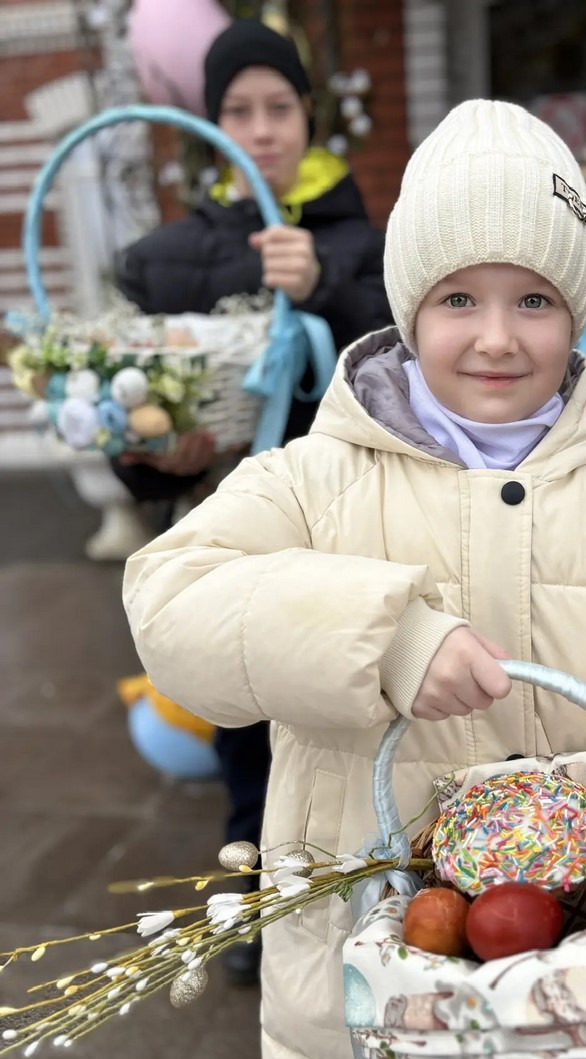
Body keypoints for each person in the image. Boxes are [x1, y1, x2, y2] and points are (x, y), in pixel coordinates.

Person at [123, 99, 586, 1059]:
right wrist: (387, 636)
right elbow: (172, 600)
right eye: (459, 298)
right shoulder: (315, 480)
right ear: (411, 306)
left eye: (534, 299)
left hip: (572, 1009)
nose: (498, 337)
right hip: (376, 1020)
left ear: (576, 314)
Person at [118, 19, 392, 985]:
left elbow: (392, 369)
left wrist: (323, 287)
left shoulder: (365, 242)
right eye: (240, 110)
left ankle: (358, 892)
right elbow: (145, 416)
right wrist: (155, 457)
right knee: (245, 724)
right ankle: (259, 905)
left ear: (310, 116)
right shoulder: (171, 258)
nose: (263, 128)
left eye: (280, 106)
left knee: (339, 717)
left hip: (340, 525)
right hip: (234, 530)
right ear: (212, 125)